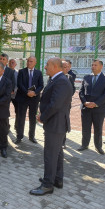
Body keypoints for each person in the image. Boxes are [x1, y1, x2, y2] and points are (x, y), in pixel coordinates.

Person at [30, 58, 73, 196]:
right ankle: (57, 179)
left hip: (56, 124)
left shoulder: (61, 81)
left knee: (50, 154)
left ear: (55, 66)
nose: (45, 67)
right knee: (57, 153)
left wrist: (43, 117)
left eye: (47, 65)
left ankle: (47, 185)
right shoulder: (56, 79)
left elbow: (55, 104)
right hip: (55, 123)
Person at [78, 60, 105, 155]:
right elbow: (81, 92)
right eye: (92, 65)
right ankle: (84, 145)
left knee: (98, 128)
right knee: (85, 128)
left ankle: (98, 147)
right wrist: (85, 102)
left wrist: (96, 103)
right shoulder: (86, 77)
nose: (93, 66)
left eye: (95, 65)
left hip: (99, 109)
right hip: (86, 108)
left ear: (101, 67)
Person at [14, 56, 44, 144]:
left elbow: (41, 85)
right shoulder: (21, 71)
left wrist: (34, 93)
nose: (29, 63)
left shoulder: (39, 73)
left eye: (31, 61)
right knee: (21, 117)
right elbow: (19, 84)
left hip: (34, 98)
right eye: (28, 61)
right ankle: (19, 136)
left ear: (35, 63)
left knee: (32, 118)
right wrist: (27, 92)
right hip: (23, 97)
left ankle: (31, 136)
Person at [61, 60, 76, 149]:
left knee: (64, 123)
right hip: (57, 105)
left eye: (68, 67)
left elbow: (73, 89)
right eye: (65, 67)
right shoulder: (53, 76)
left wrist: (67, 97)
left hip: (66, 105)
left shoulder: (70, 77)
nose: (67, 69)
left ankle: (63, 142)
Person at [8, 59, 19, 130]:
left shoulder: (18, 73)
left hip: (15, 95)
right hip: (7, 94)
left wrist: (14, 90)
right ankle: (7, 126)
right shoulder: (5, 72)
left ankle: (17, 126)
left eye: (13, 63)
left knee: (17, 110)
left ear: (16, 64)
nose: (11, 64)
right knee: (6, 110)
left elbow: (19, 83)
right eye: (10, 62)